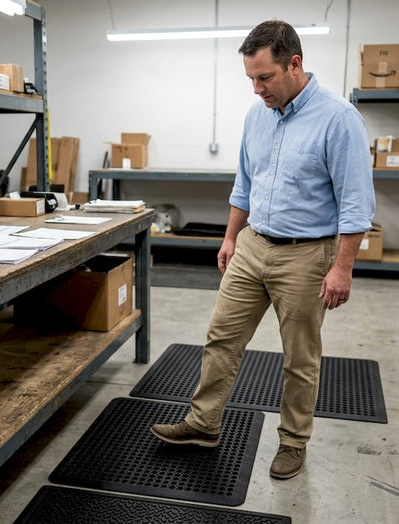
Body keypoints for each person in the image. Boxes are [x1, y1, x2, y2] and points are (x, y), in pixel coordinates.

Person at [150, 19, 376, 480]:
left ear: (294, 64)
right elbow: (245, 184)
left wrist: (342, 268)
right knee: (222, 337)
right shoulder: (258, 115)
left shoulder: (338, 119)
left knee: (299, 356)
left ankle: (293, 441)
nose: (257, 89)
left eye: (265, 77)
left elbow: (356, 203)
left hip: (307, 254)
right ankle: (203, 424)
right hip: (254, 244)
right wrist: (231, 237)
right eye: (251, 79)